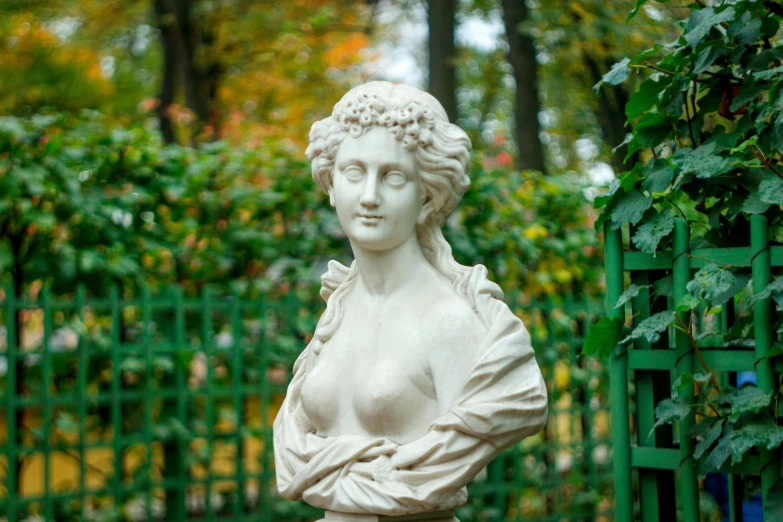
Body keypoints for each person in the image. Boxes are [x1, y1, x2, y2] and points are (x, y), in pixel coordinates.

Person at [273, 81, 547, 518]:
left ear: (427, 195)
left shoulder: (451, 322)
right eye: (354, 172)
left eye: (393, 176)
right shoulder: (338, 311)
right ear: (330, 183)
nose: (369, 196)